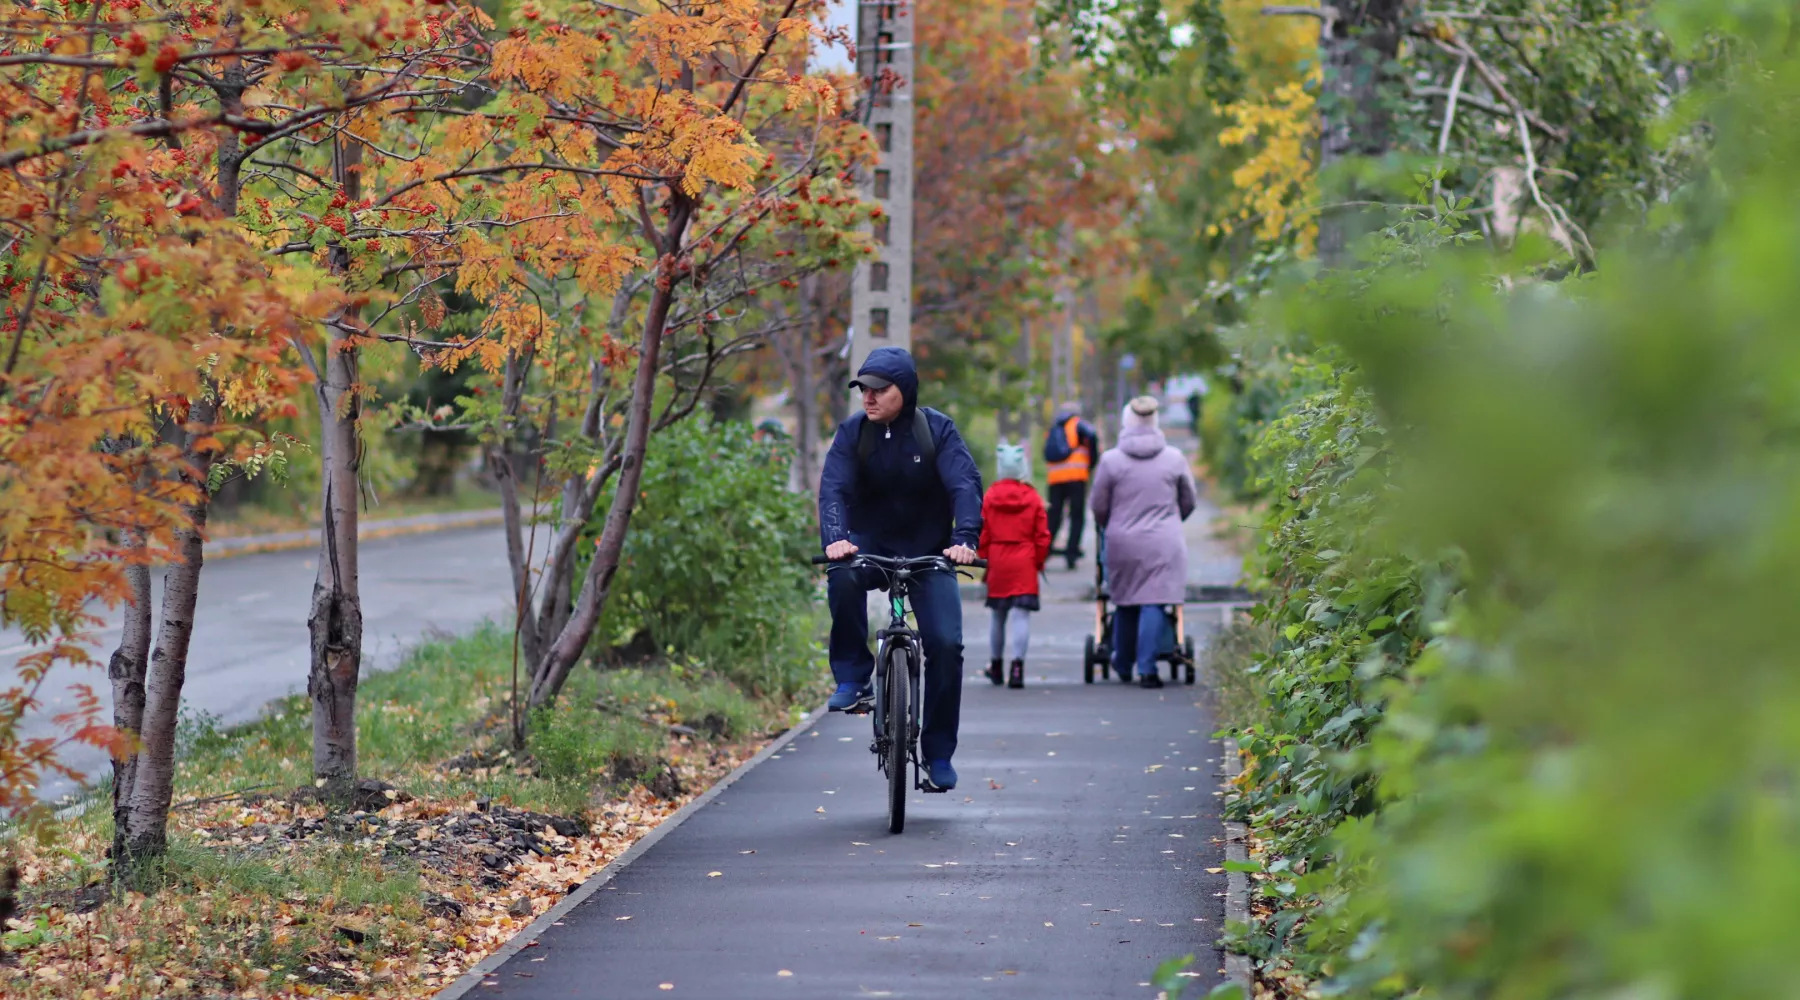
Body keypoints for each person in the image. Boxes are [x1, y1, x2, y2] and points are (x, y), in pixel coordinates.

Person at [818, 346, 983, 791]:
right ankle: (854, 676)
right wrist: (836, 538)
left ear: (904, 391)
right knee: (843, 576)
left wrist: (965, 538)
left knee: (947, 645)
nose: (867, 398)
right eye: (862, 390)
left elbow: (964, 485)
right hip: (869, 547)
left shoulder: (937, 431)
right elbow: (833, 488)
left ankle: (939, 753)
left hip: (931, 553)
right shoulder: (853, 433)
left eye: (878, 390)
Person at [1089, 395, 1197, 689]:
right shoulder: (1174, 458)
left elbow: (1098, 505)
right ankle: (1148, 669)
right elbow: (1189, 501)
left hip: (1123, 541)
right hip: (1164, 541)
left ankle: (1122, 662)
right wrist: (1171, 521)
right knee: (1154, 602)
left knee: (1124, 601)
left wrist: (1112, 525)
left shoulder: (1111, 461)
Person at [977, 442, 1050, 690]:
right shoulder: (1032, 497)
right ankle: (1017, 668)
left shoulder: (990, 496)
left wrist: (984, 556)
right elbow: (1042, 535)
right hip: (1025, 560)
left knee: (997, 617)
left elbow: (983, 531)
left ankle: (995, 665)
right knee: (1021, 616)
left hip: (999, 559)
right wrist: (1038, 561)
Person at [1043, 401, 1100, 570]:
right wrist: (1090, 465)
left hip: (1055, 478)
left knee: (1054, 516)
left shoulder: (1053, 429)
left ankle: (1044, 551)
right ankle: (1071, 553)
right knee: (1076, 516)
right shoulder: (1079, 425)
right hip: (1076, 477)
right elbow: (1093, 442)